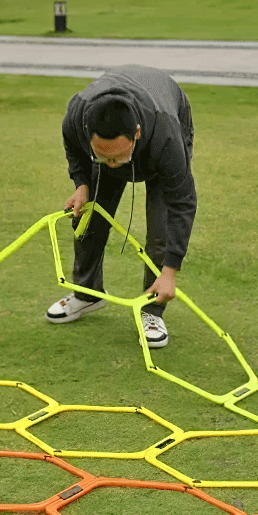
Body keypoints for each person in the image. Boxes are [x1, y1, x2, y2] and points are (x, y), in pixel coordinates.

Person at [46, 64, 196, 348]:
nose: (113, 165)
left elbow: (182, 202)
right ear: (88, 133)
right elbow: (73, 148)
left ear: (136, 133)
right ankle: (87, 294)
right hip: (122, 127)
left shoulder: (166, 137)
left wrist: (169, 272)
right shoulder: (77, 116)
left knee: (160, 229)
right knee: (88, 217)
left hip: (163, 110)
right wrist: (81, 184)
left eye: (119, 157)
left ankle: (152, 310)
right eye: (104, 157)